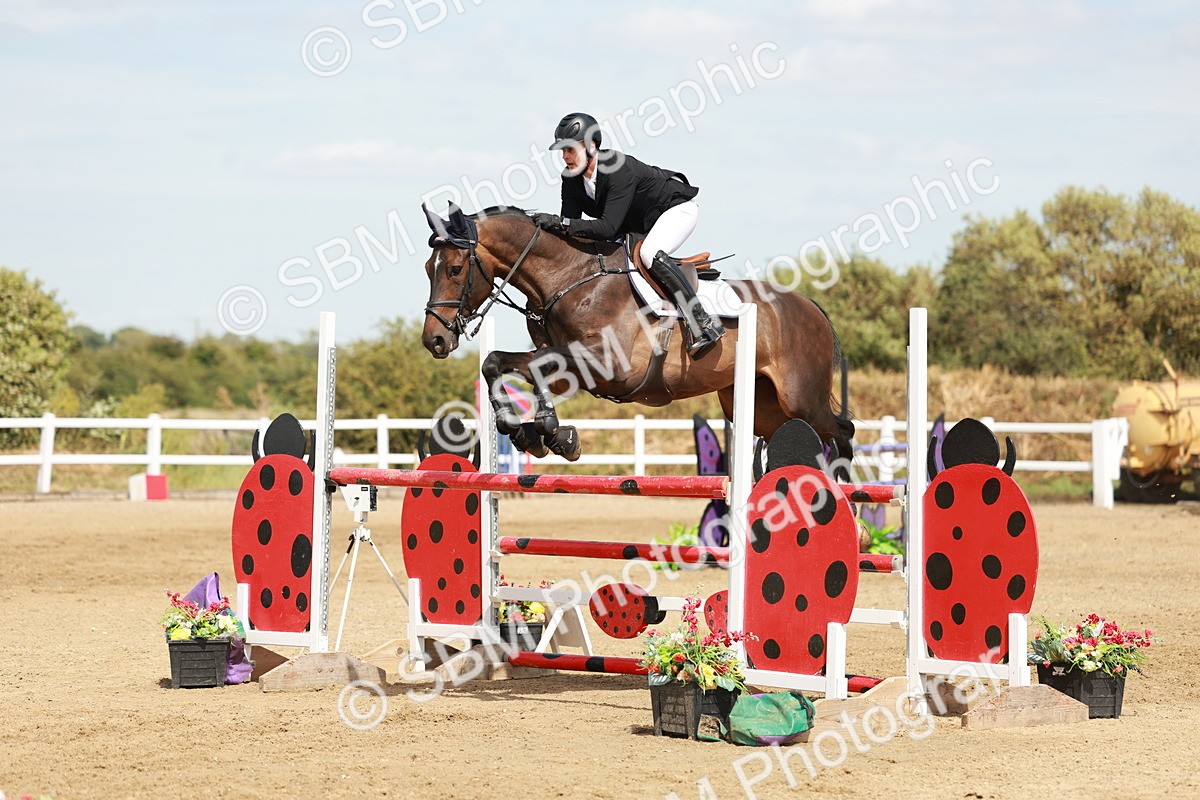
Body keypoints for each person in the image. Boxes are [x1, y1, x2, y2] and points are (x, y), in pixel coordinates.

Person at [531, 112, 725, 360]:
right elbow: (571, 229)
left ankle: (703, 322)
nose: (565, 156)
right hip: (635, 225)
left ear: (592, 146)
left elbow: (607, 227)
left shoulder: (618, 168)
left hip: (674, 210)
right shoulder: (570, 179)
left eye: (570, 149)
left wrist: (563, 224)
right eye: (562, 150)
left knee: (649, 253)